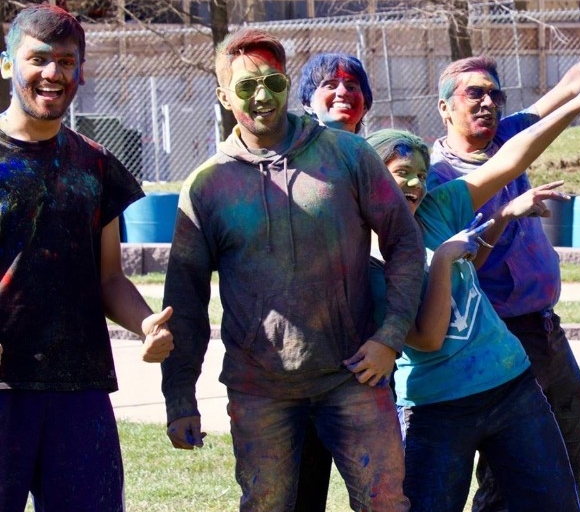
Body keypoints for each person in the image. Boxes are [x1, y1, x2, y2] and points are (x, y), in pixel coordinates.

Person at [160, 27, 424, 511]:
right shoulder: (207, 187)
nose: (262, 96)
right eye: (245, 87)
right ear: (222, 96)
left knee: (385, 503)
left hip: (354, 378)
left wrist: (390, 337)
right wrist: (180, 397)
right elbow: (185, 300)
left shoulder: (346, 155)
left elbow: (405, 242)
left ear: (286, 82)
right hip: (259, 390)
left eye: (273, 83)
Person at [424, 2, 580, 509]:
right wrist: (507, 215)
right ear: (444, 107)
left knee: (567, 412)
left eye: (494, 94)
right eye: (472, 94)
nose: (487, 103)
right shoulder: (439, 178)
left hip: (544, 325)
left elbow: (570, 85)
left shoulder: (508, 136)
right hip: (496, 333)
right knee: (509, 459)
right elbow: (461, 266)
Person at [371, 53, 580, 512]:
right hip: (437, 407)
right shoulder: (365, 260)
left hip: (511, 383)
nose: (415, 185)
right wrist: (443, 260)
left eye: (421, 176)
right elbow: (427, 337)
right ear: (370, 181)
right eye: (401, 174)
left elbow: (510, 159)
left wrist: (579, 107)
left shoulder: (437, 208)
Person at [0, 5, 174, 510]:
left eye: (66, 61)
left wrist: (147, 326)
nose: (52, 73)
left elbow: (110, 279)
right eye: (38, 59)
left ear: (80, 70)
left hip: (79, 390)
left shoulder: (95, 163)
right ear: (8, 64)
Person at [293, 50, 376, 512]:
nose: (343, 91)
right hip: (296, 359)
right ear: (307, 100)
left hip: (364, 354)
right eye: (330, 85)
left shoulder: (382, 157)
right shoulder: (284, 157)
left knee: (378, 491)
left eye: (353, 86)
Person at [299, 52, 372, 134]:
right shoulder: (297, 146)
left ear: (364, 106)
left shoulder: (367, 147)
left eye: (351, 87)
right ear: (308, 104)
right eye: (330, 87)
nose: (343, 92)